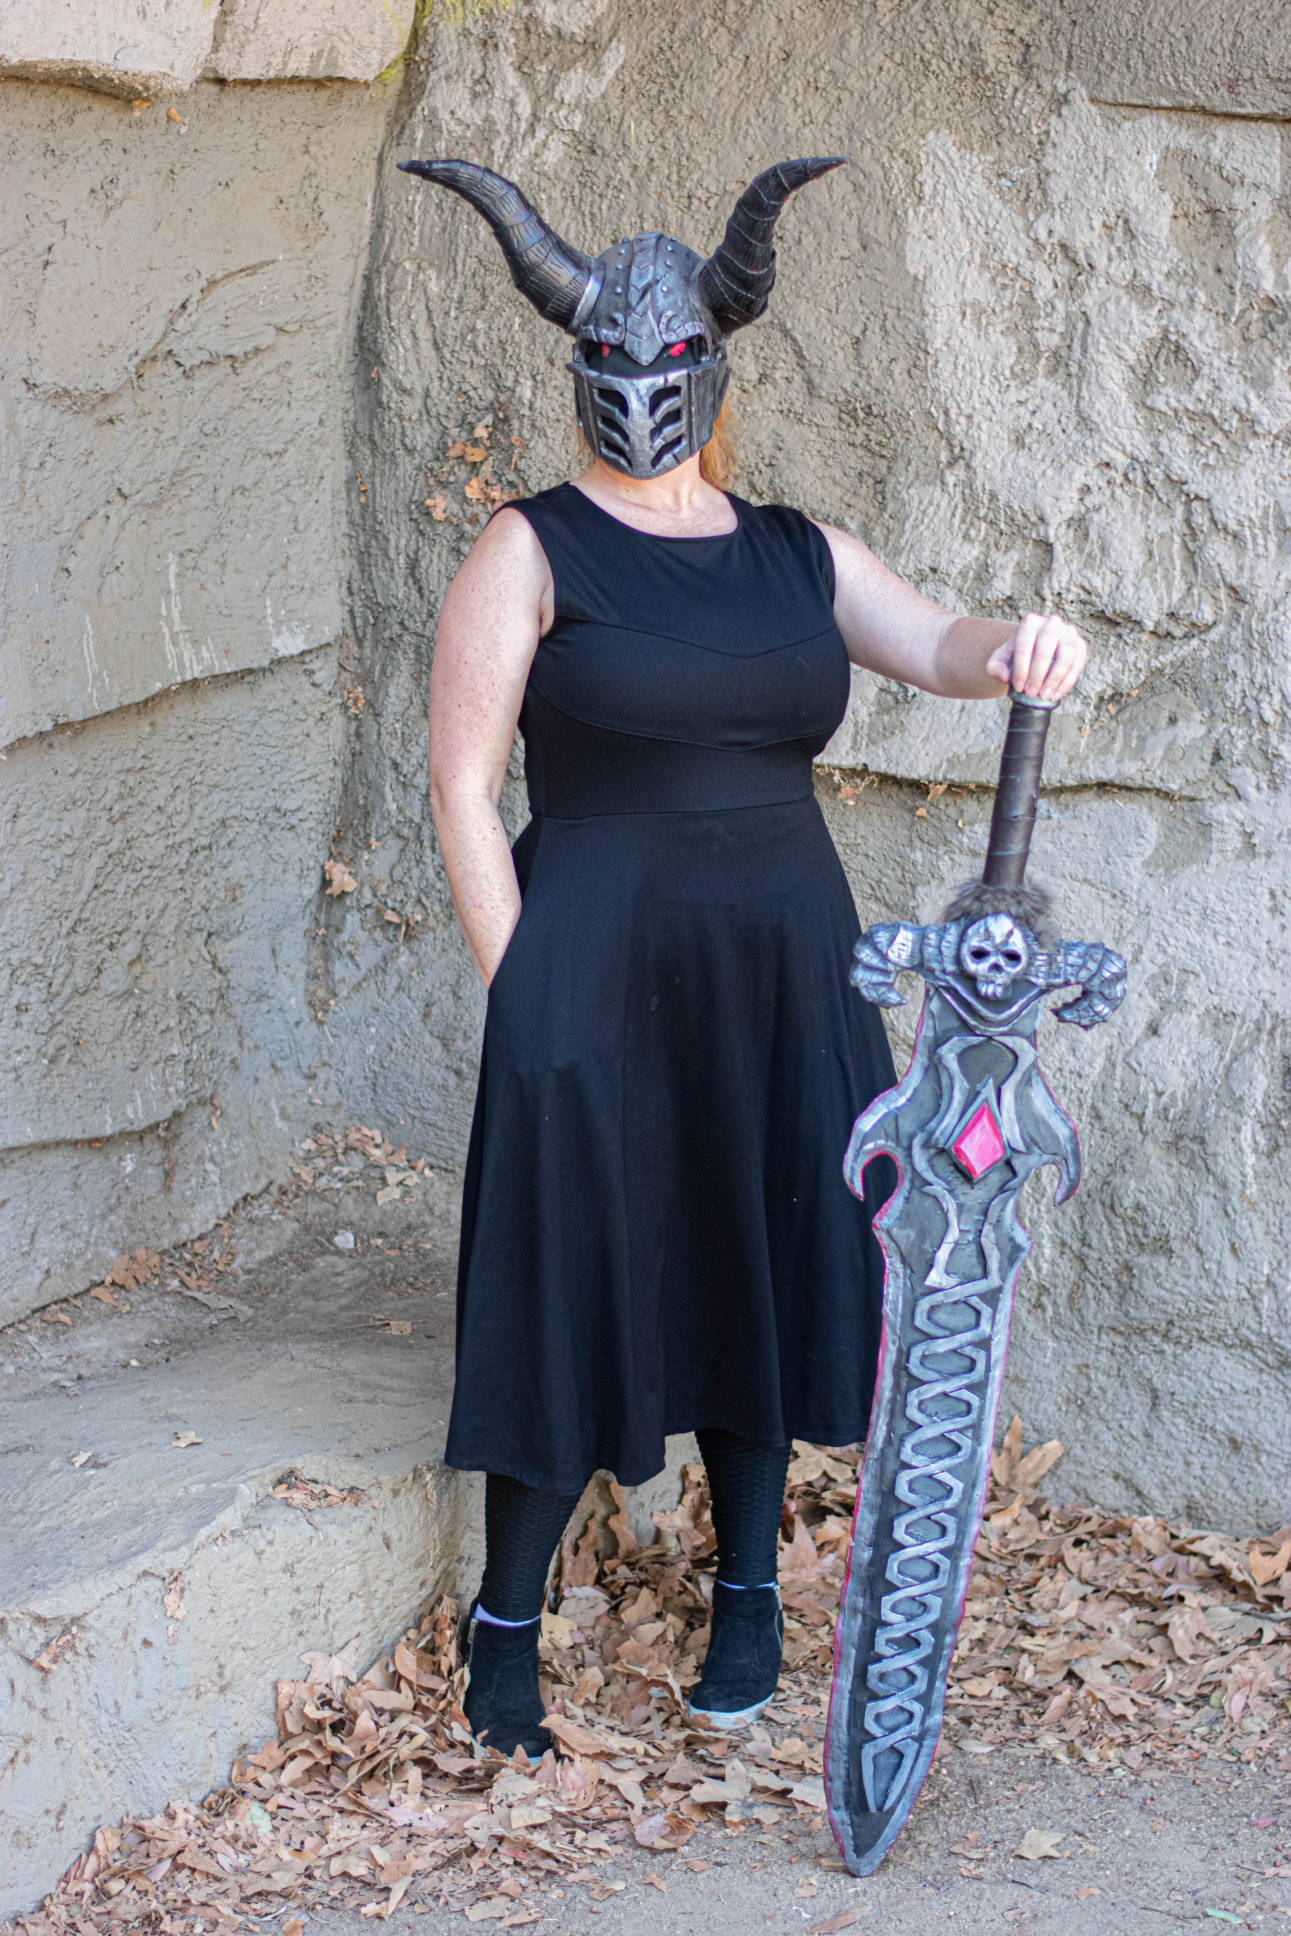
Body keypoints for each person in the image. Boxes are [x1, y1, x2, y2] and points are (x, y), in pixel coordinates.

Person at [399, 156, 1088, 1758]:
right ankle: (507, 1626)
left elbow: (933, 645)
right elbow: (456, 784)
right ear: (581, 373)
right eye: (610, 365)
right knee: (575, 1271)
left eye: (667, 364)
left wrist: (1022, 647)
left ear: (712, 369)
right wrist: (525, 989)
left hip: (786, 971)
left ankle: (752, 1604)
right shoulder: (531, 546)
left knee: (767, 1255)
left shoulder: (796, 550)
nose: (638, 388)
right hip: (592, 969)